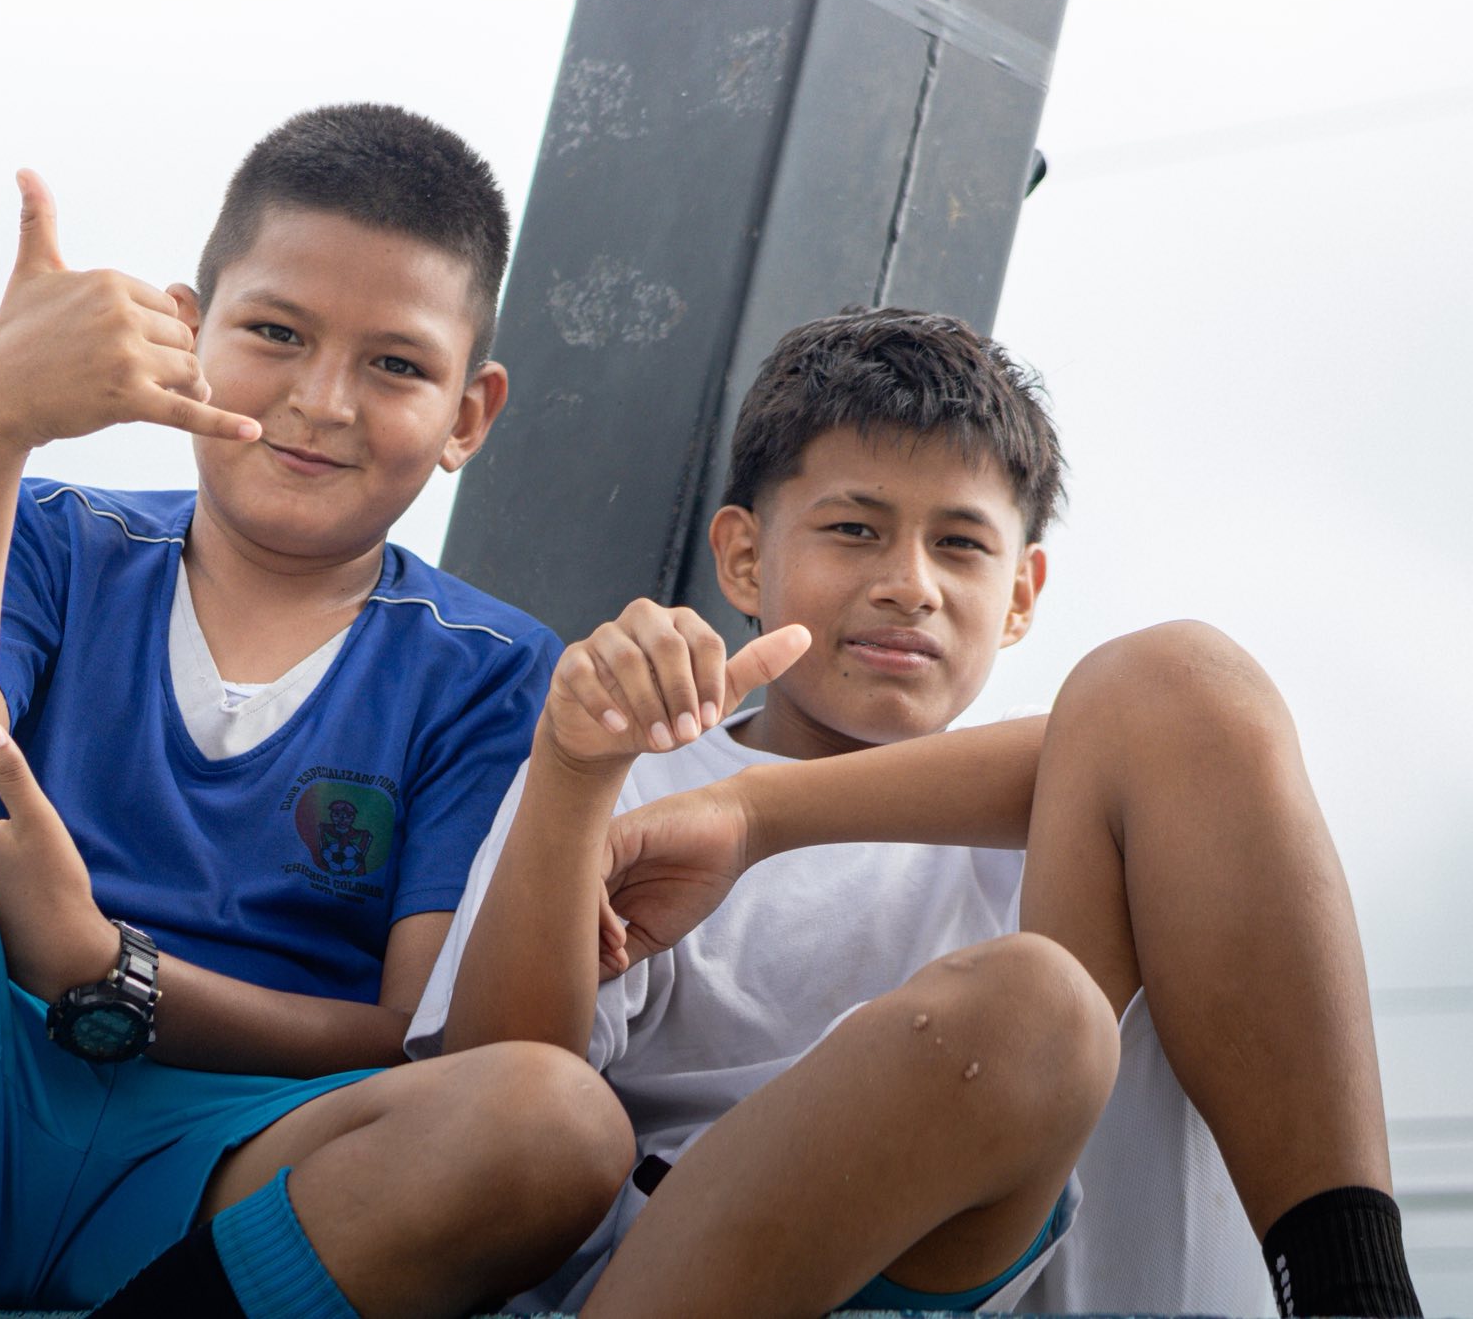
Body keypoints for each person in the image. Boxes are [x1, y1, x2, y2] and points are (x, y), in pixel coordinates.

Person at [0, 104, 634, 1319]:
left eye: (395, 365)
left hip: (223, 1188)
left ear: (468, 412)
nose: (322, 398)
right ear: (186, 331)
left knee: (556, 1121)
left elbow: (417, 1040)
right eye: (276, 332)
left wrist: (114, 973)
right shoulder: (56, 537)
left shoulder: (493, 670)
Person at [410, 306, 1424, 1317]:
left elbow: (1177, 713)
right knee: (1033, 1006)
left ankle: (1355, 1296)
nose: (910, 586)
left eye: (960, 544)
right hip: (714, 1280)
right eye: (854, 529)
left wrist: (758, 813)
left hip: (1021, 1273)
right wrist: (574, 773)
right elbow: (498, 1113)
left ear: (1021, 593)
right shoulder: (634, 777)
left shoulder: (1110, 788)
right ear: (745, 558)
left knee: (1180, 685)